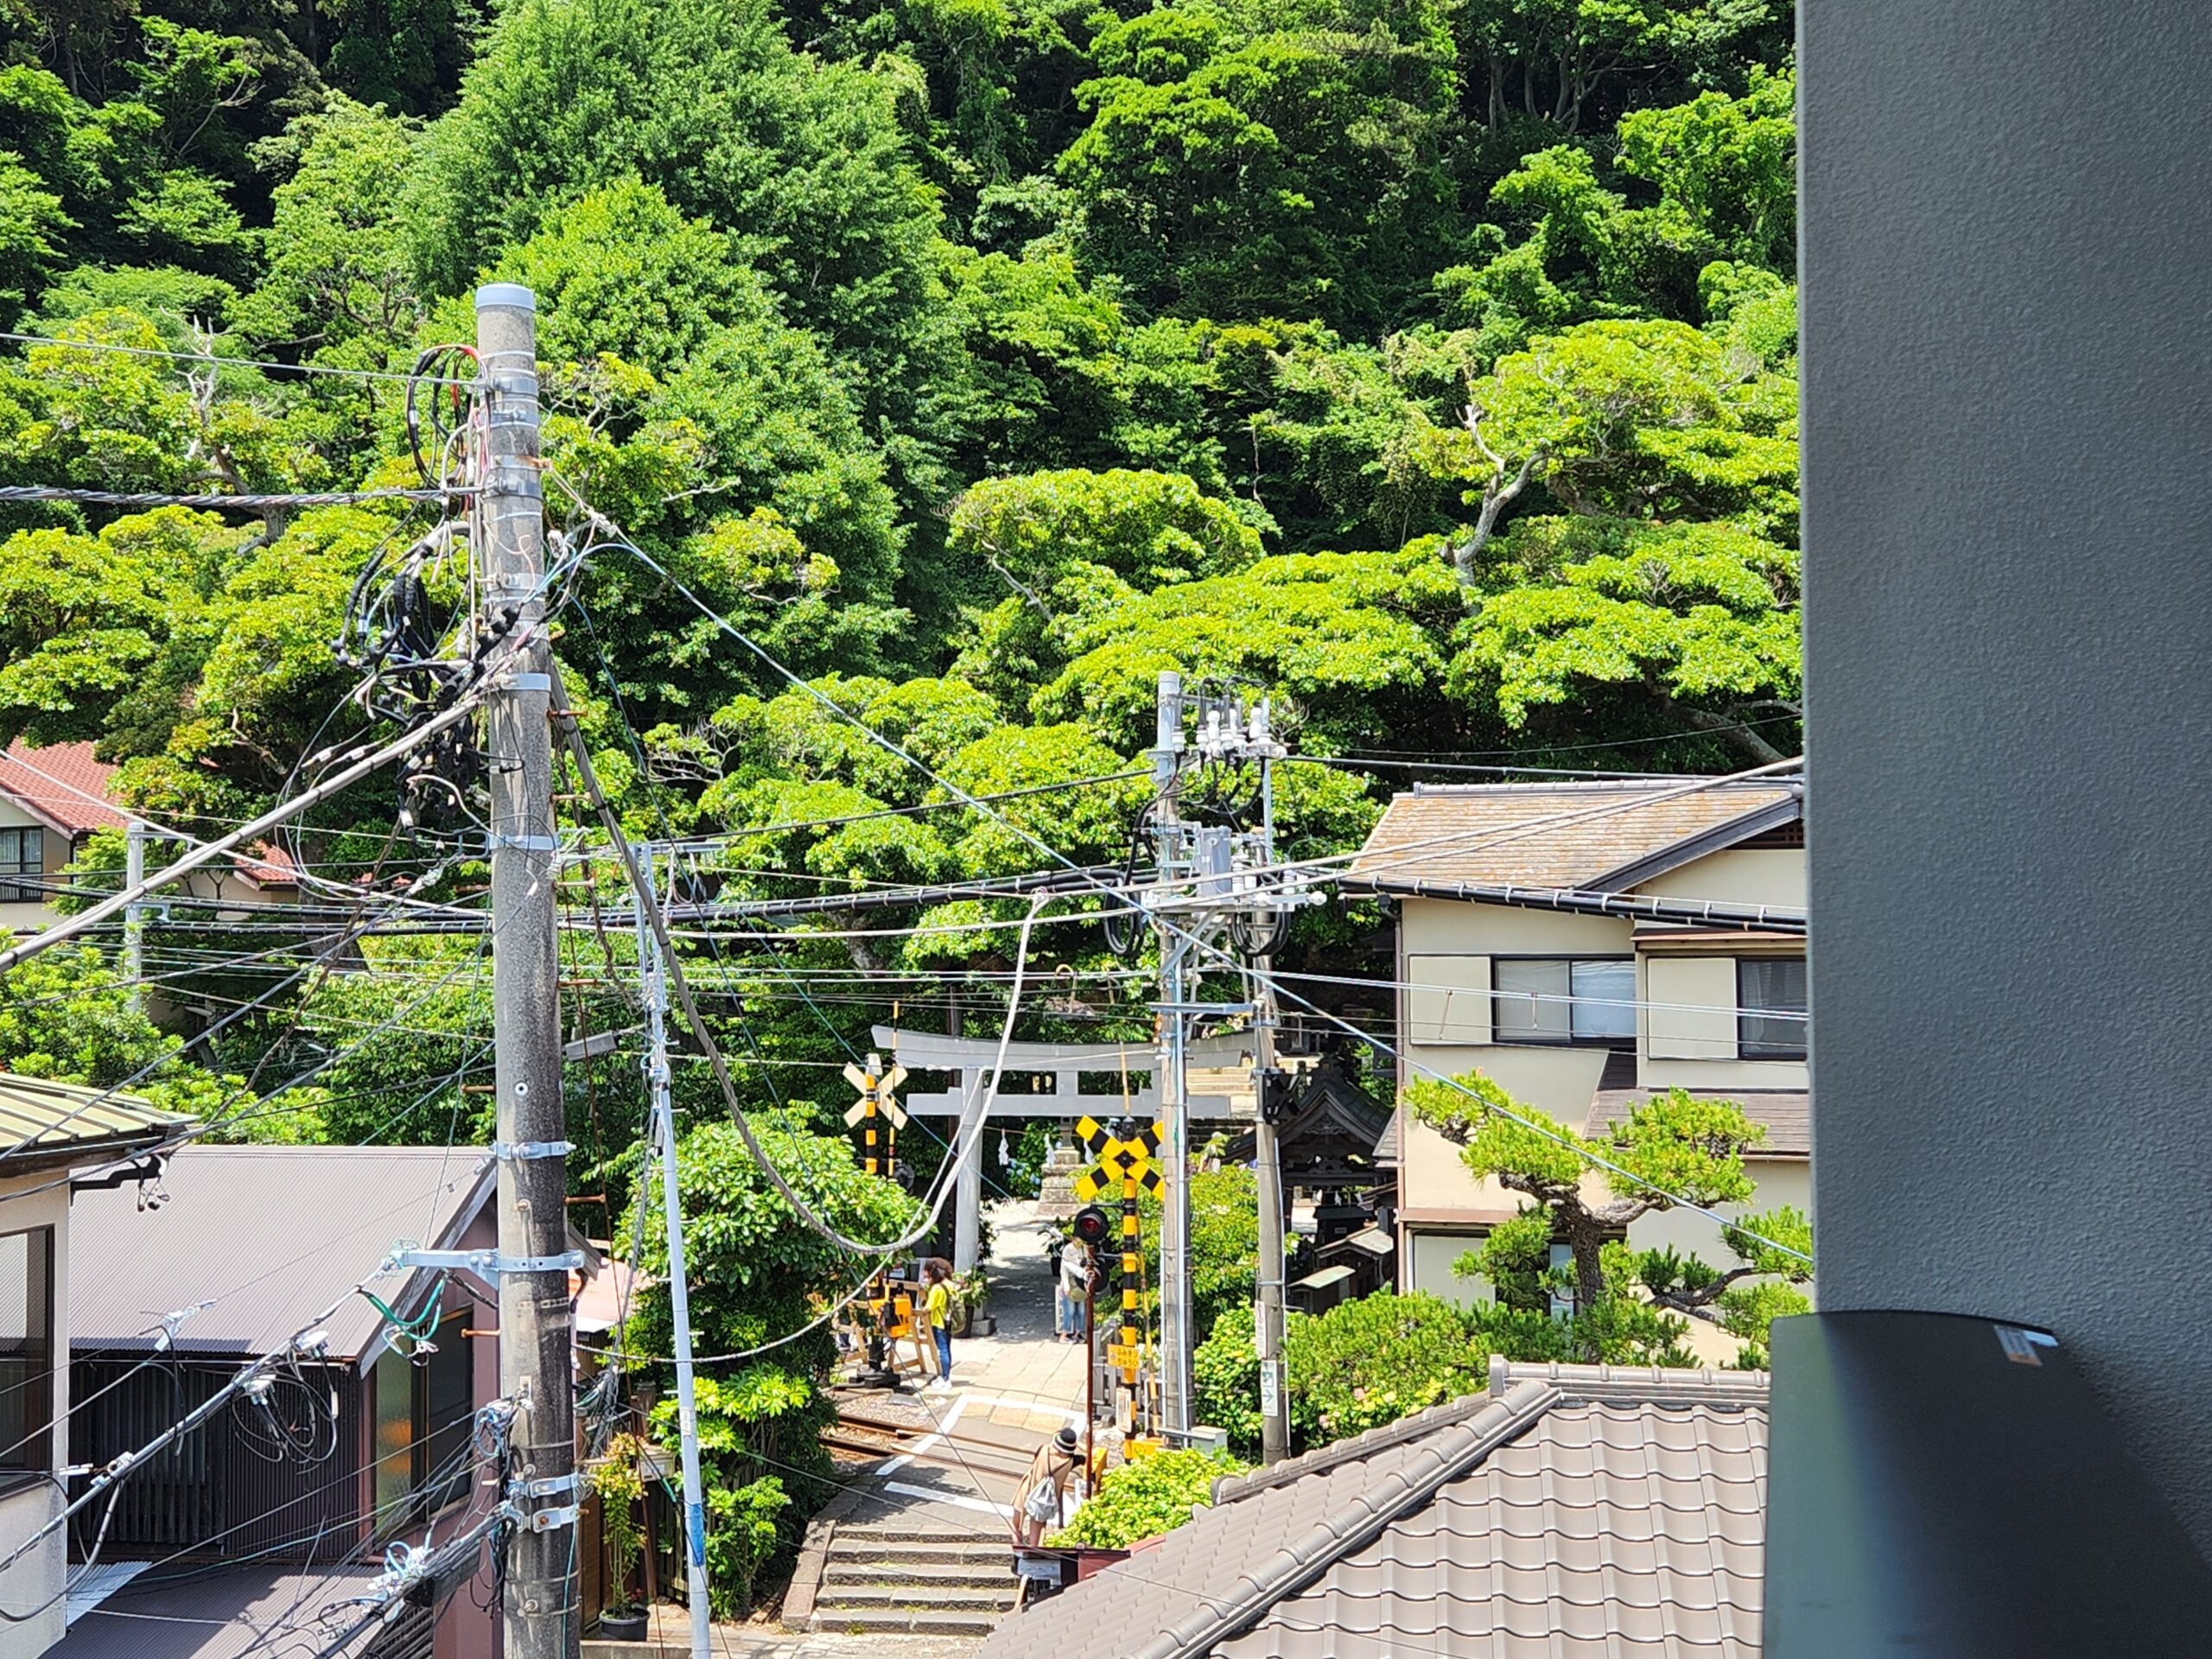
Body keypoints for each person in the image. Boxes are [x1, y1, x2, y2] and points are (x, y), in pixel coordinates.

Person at [1014, 1427, 1082, 1548]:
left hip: (1028, 1489)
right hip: (1044, 1501)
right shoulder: (1070, 1462)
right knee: (1036, 1532)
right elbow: (1080, 1457)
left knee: (1016, 1524)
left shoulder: (1043, 1450)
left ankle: (1018, 1546)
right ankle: (1033, 1553)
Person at [922, 1261, 955, 1389]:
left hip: (939, 1322)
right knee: (947, 1348)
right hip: (950, 1322)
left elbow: (928, 1308)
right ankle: (946, 1375)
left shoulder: (937, 1288)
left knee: (943, 1350)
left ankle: (945, 1379)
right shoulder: (951, 1284)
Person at [1057, 1236, 1090, 1343]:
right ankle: (1064, 1335)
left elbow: (1087, 1265)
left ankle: (1078, 1333)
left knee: (1081, 1311)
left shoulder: (1084, 1248)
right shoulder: (1068, 1249)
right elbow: (1064, 1269)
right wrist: (1066, 1286)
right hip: (1070, 1285)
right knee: (1070, 1311)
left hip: (1080, 1284)